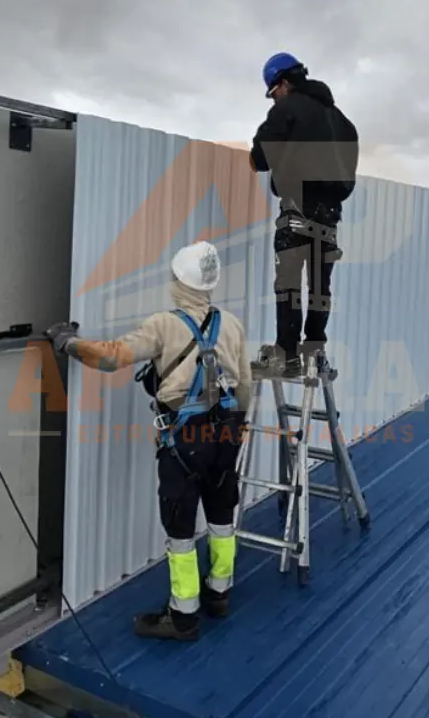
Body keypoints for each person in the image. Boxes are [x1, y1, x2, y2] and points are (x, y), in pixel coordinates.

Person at [45, 241, 253, 641]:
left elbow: (112, 357)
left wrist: (68, 343)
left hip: (185, 438)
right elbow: (244, 386)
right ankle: (219, 592)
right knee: (222, 511)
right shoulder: (231, 323)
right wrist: (234, 432)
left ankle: (184, 614)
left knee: (180, 522)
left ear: (178, 281)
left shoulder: (165, 324)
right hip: (227, 430)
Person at [249, 52, 359, 378]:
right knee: (320, 289)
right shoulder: (344, 124)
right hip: (330, 216)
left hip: (297, 208)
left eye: (273, 92)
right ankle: (314, 349)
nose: (274, 97)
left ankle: (287, 354)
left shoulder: (287, 108)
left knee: (289, 285)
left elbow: (260, 158)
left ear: (282, 83)